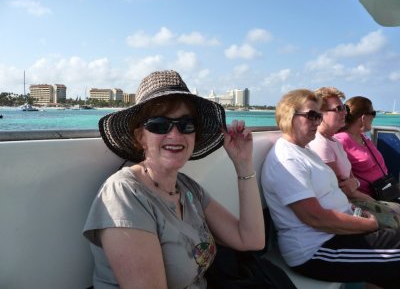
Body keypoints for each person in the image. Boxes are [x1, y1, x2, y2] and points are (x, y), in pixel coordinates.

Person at [83, 70, 265, 289]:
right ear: (141, 137)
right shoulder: (124, 194)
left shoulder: (188, 189)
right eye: (160, 124)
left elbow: (251, 239)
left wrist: (243, 163)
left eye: (186, 125)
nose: (175, 134)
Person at [261, 88, 400, 287]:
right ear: (289, 116)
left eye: (319, 116)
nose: (317, 122)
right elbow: (315, 218)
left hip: (336, 234)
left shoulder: (305, 151)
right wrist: (370, 225)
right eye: (312, 115)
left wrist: (356, 214)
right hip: (317, 249)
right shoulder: (287, 159)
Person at [308, 87, 372, 201]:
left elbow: (352, 179)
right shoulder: (321, 144)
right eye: (339, 109)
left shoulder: (335, 141)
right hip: (346, 203)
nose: (345, 113)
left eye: (344, 108)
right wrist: (373, 201)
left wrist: (355, 183)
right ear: (320, 113)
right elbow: (343, 189)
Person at [334, 96, 389, 198]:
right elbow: (341, 182)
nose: (374, 117)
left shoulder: (362, 137)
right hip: (367, 199)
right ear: (363, 118)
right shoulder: (341, 141)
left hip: (386, 191)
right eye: (373, 113)